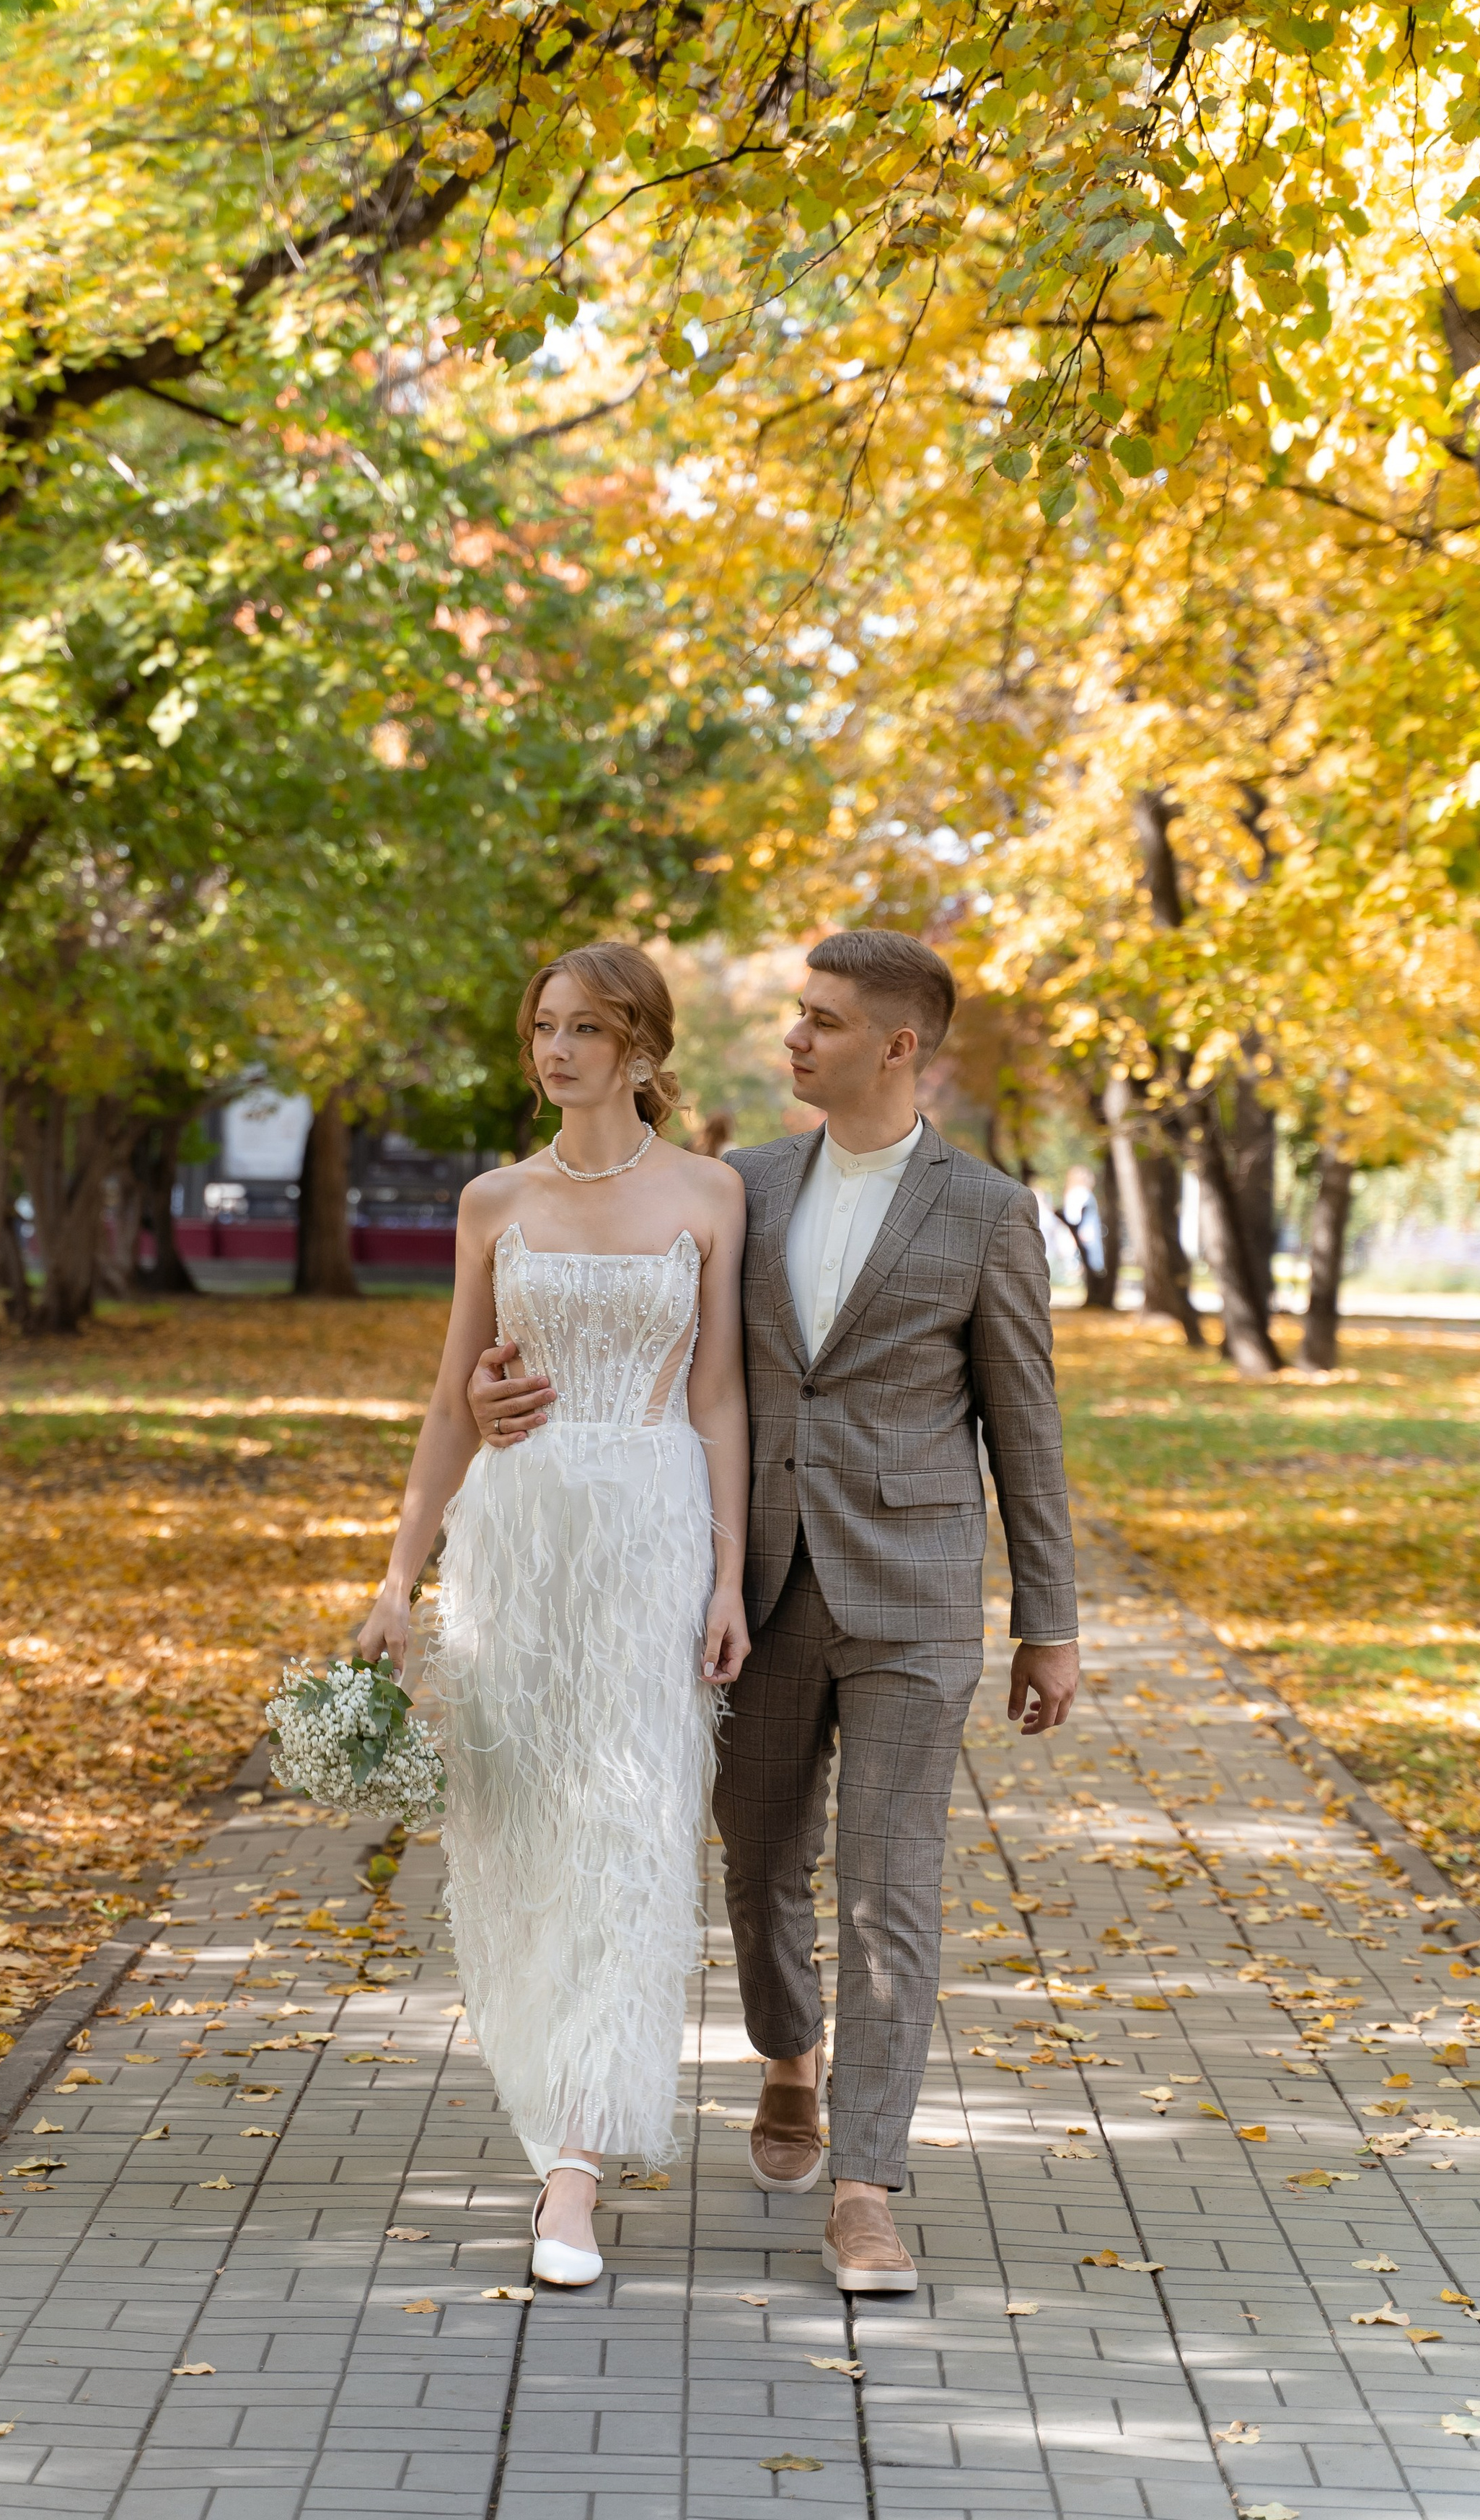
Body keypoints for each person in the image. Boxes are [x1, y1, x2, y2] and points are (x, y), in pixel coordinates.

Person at [470, 928, 1080, 2294]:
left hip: (916, 1596)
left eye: (821, 1020)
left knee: (890, 1887)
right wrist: (492, 1401)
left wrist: (1054, 1620)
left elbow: (1026, 1430)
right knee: (757, 1875)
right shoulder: (740, 1188)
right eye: (797, 1014)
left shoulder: (985, 1213)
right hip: (752, 1587)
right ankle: (789, 2059)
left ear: (898, 1047)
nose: (792, 1037)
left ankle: (866, 2188)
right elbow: (664, 1361)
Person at [356, 944, 749, 2288]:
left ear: (642, 1045)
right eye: (543, 1027)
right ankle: (549, 2106)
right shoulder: (491, 1201)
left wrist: (730, 1573)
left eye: (586, 1028)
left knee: (630, 1832)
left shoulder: (709, 1194)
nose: (557, 1049)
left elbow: (719, 1399)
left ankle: (576, 2171)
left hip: (651, 1532)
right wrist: (396, 1581)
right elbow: (451, 1398)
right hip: (518, 1544)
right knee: (517, 1829)